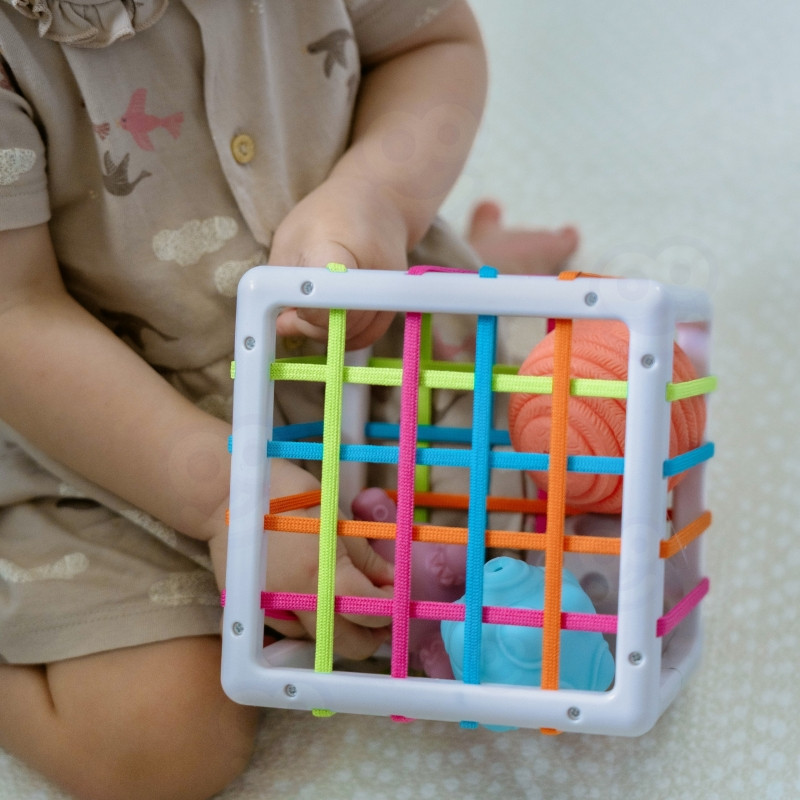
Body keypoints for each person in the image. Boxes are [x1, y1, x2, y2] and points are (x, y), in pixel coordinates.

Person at [0, 3, 576, 798]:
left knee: (538, 520)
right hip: (105, 428)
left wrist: (380, 195)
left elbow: (432, 41)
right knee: (161, 747)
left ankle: (471, 255)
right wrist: (222, 497)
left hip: (363, 330)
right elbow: (14, 317)